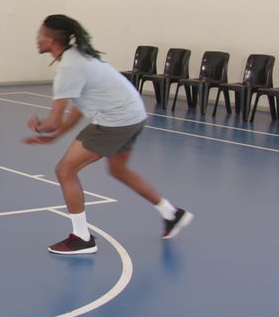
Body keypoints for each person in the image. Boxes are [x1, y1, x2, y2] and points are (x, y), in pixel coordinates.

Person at [24, 14, 194, 255]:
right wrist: (56, 135)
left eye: (40, 35)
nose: (37, 38)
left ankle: (82, 238)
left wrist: (40, 126)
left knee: (65, 170)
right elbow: (79, 107)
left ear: (51, 40)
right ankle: (171, 213)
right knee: (118, 169)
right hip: (134, 114)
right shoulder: (80, 56)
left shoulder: (69, 67)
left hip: (115, 120)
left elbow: (54, 121)